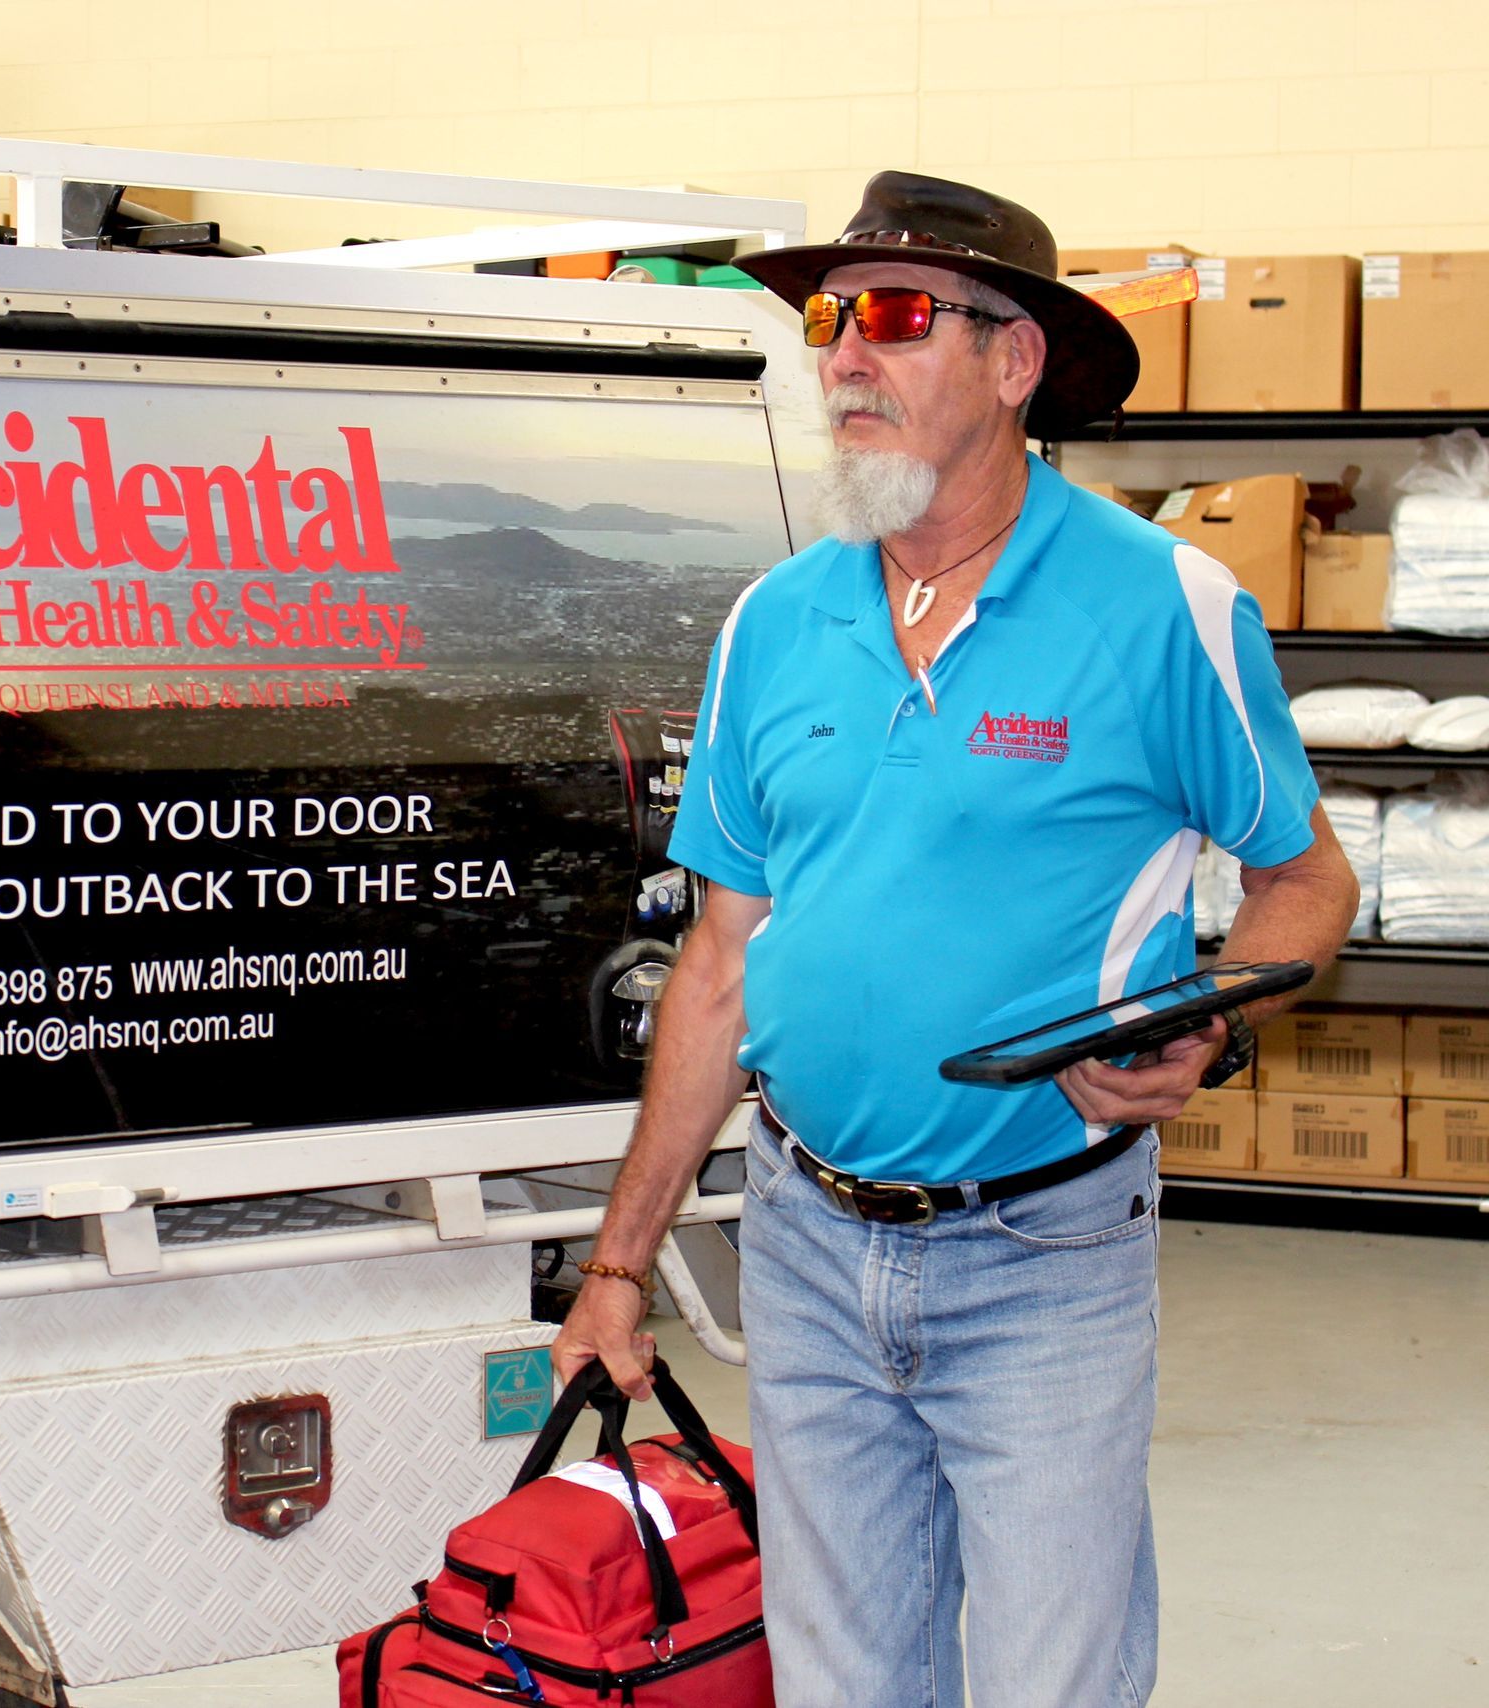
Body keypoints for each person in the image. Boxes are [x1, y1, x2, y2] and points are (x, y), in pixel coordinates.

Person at [551, 171, 1360, 1708]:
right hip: (801, 1238)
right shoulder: (773, 624)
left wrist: (1205, 1015)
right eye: (829, 318)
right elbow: (718, 968)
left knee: (1056, 1680)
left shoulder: (1163, 604)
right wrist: (619, 1265)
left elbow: (1305, 881)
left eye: (897, 317)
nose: (845, 354)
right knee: (845, 1679)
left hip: (1042, 1249)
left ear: (1014, 361)